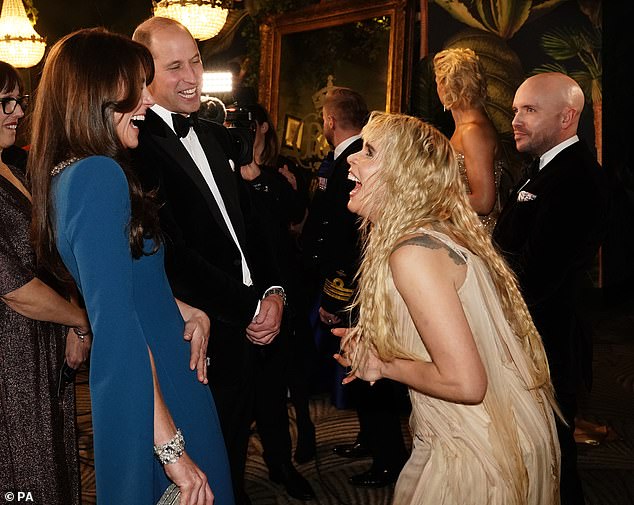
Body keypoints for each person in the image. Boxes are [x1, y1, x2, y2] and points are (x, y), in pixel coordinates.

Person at [28, 29, 234, 505]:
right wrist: (172, 450)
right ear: (96, 95)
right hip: (156, 389)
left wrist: (182, 307)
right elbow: (116, 325)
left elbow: (118, 287)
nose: (145, 101)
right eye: (132, 89)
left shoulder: (67, 175)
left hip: (152, 377)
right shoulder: (98, 177)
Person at [334, 111, 562, 505]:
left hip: (475, 447)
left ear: (404, 175)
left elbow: (466, 384)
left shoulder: (413, 253)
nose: (353, 157)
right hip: (485, 430)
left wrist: (383, 365)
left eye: (369, 151)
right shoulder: (427, 236)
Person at [131, 17, 284, 505]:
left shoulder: (216, 136)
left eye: (195, 60)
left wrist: (274, 291)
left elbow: (253, 229)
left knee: (234, 459)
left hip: (251, 327)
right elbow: (171, 257)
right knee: (200, 476)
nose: (192, 76)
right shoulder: (134, 148)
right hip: (195, 337)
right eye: (174, 66)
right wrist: (249, 308)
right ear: (143, 76)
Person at [493, 72, 610, 505]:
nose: (516, 120)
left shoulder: (578, 178)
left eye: (529, 110)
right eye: (515, 110)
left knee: (552, 462)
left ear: (567, 117)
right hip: (529, 338)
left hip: (545, 344)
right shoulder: (544, 168)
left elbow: (540, 276)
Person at [301, 87, 408, 488]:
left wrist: (336, 293)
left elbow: (349, 239)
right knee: (361, 369)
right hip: (354, 283)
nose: (356, 161)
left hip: (359, 287)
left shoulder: (355, 168)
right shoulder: (347, 164)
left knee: (372, 375)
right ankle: (373, 442)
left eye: (369, 152)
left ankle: (388, 460)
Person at [0, 60, 90, 505]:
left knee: (52, 459)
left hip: (43, 343)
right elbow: (13, 287)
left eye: (20, 100)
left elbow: (55, 254)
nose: (18, 112)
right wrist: (81, 320)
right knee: (22, 473)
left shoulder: (17, 165)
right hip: (9, 356)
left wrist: (73, 308)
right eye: (5, 102)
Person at [236, 102, 315, 500]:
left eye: (246, 124)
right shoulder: (220, 181)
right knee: (237, 394)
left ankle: (281, 465)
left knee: (276, 385)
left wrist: (277, 182)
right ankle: (234, 480)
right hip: (236, 303)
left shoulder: (275, 178)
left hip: (282, 297)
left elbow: (296, 219)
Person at [433, 47, 505, 233]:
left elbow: (483, 202)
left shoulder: (473, 131)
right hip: (463, 231)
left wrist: (430, 201)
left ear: (444, 84)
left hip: (476, 236)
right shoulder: (468, 127)